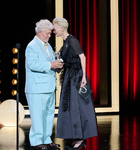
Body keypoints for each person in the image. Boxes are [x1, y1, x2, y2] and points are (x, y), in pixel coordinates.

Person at [52, 17, 98, 149]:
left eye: (55, 28)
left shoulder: (72, 40)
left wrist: (84, 76)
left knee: (81, 107)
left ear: (62, 28)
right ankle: (75, 135)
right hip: (70, 77)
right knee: (72, 107)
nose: (54, 31)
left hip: (77, 78)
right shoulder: (66, 42)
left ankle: (81, 138)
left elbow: (82, 56)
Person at [25, 19, 63, 150]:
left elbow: (51, 63)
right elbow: (32, 64)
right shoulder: (32, 46)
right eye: (47, 33)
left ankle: (47, 140)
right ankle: (36, 142)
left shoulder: (47, 46)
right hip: (37, 88)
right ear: (40, 32)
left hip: (49, 86)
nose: (49, 35)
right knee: (37, 116)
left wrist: (57, 66)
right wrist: (50, 65)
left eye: (50, 33)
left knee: (48, 115)